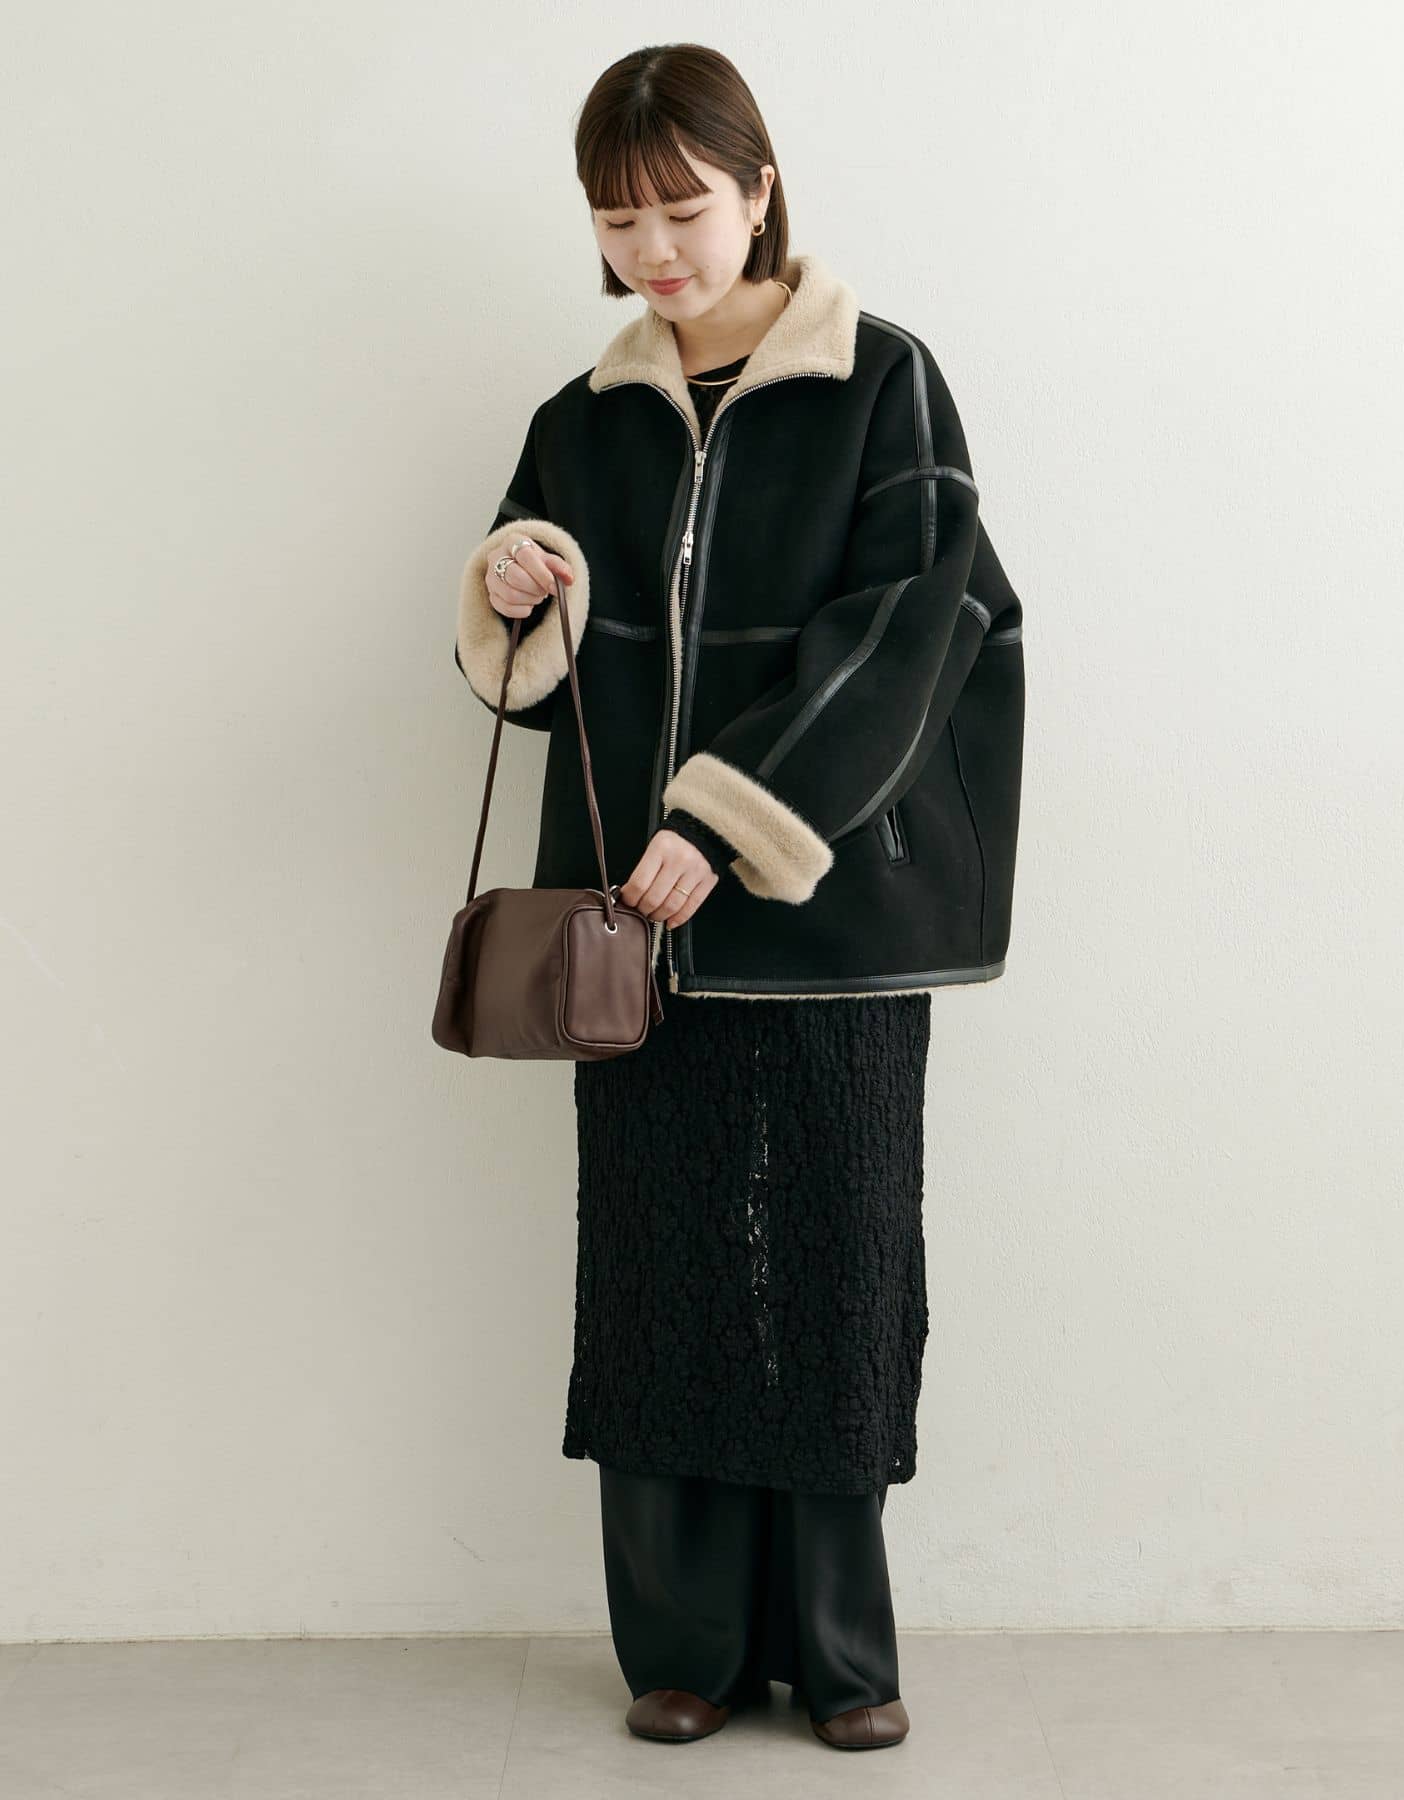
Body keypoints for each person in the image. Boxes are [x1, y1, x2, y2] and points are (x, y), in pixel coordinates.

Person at [451, 43, 1025, 1754]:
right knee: (663, 1280)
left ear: (759, 189)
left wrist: (728, 814)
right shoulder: (581, 422)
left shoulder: (881, 382)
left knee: (837, 1274)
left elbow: (920, 625)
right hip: (634, 940)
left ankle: (844, 1656)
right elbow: (534, 687)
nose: (653, 251)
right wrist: (512, 587)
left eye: (684, 210)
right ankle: (682, 1650)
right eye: (617, 219)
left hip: (830, 928)